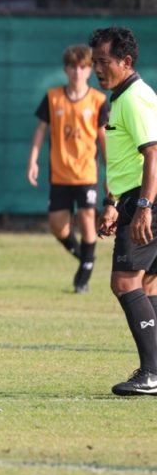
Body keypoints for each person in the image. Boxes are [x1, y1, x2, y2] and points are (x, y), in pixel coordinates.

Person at [91, 26, 157, 396]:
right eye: (94, 62)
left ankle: (152, 373)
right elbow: (127, 160)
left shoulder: (134, 98)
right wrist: (113, 204)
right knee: (149, 285)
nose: (98, 69)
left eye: (104, 62)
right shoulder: (121, 97)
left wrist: (144, 206)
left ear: (126, 61)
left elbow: (153, 154)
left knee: (125, 283)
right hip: (135, 199)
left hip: (147, 200)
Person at [26, 45, 109, 294]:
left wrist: (111, 173)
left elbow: (103, 138)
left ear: (90, 70)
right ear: (66, 69)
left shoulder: (98, 100)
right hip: (60, 173)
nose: (77, 72)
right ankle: (86, 257)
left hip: (86, 172)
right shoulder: (53, 97)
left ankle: (83, 275)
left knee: (86, 218)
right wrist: (33, 160)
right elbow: (40, 129)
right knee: (57, 225)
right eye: (73, 67)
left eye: (83, 67)